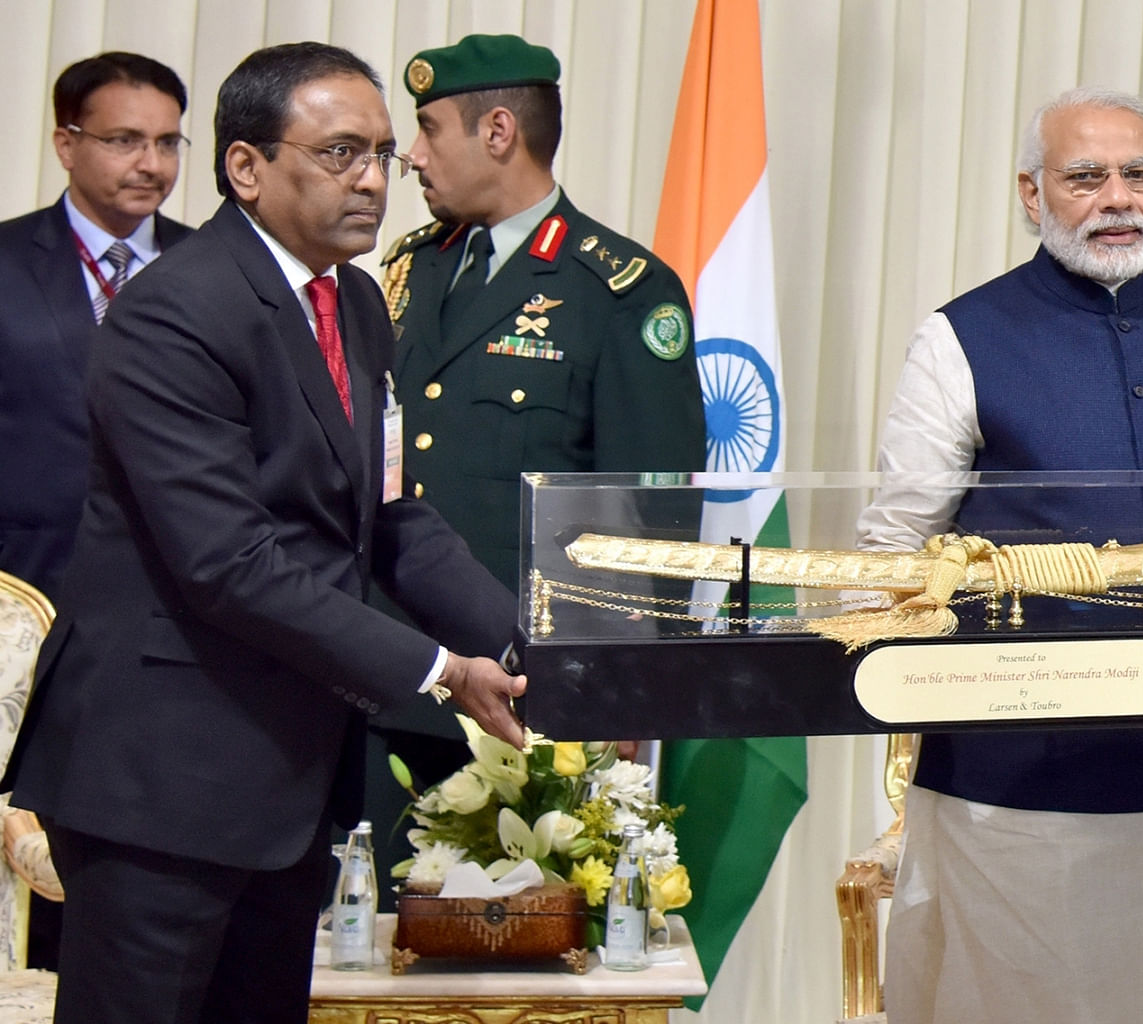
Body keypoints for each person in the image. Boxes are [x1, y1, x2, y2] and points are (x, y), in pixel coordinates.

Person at [1, 42, 528, 1024]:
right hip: (157, 782)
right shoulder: (174, 309)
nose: (374, 178)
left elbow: (389, 516)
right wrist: (443, 669)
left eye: (382, 153)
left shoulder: (357, 302)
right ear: (246, 166)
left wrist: (521, 639)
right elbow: (229, 565)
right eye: (340, 153)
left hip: (282, 779)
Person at [855, 86, 1143, 1024]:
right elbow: (897, 549)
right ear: (1031, 193)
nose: (1117, 198)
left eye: (1137, 174)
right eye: (1085, 176)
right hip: (1016, 779)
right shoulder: (958, 336)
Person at [366, 32, 707, 881]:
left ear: (497, 132)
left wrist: (620, 676)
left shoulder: (618, 287)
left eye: (428, 128)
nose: (410, 157)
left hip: (527, 687)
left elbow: (651, 514)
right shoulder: (408, 270)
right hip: (388, 667)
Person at [0, 52, 193, 603]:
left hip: (181, 591)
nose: (151, 164)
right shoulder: (6, 260)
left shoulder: (213, 265)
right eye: (124, 141)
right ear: (67, 145)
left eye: (166, 142)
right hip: (29, 584)